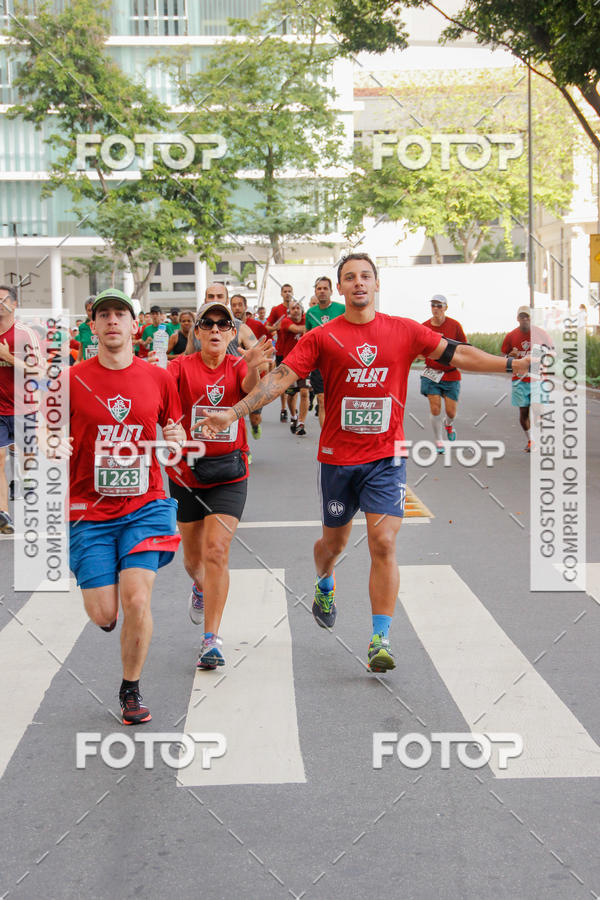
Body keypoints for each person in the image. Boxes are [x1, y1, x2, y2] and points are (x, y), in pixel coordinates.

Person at [197, 253, 531, 674]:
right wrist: (234, 412)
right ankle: (324, 579)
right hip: (338, 461)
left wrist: (512, 364)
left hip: (386, 458)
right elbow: (281, 378)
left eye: (365, 276)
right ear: (340, 288)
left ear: (376, 284)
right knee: (332, 546)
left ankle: (380, 639)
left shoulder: (404, 330)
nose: (358, 282)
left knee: (384, 542)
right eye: (350, 277)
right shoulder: (321, 336)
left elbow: (457, 355)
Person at [66, 288, 185, 725]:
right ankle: (105, 593)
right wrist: (49, 442)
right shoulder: (71, 379)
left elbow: (173, 430)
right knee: (104, 613)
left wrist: (174, 439)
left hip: (145, 504)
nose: (112, 320)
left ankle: (130, 688)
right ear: (93, 326)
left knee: (137, 598)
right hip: (89, 510)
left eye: (121, 314)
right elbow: (42, 429)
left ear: (136, 326)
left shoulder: (158, 378)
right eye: (104, 315)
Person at [164, 301, 271, 669]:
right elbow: (159, 401)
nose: (214, 329)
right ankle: (199, 587)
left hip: (229, 473)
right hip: (186, 474)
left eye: (222, 324)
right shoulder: (179, 367)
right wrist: (170, 429)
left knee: (216, 551)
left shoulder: (238, 365)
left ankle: (211, 639)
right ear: (196, 332)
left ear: (231, 333)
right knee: (194, 561)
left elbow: (250, 392)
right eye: (206, 323)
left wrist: (253, 366)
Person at [0, 285, 42, 534]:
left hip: (23, 408)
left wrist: (7, 356)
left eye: (3, 299)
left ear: (14, 304)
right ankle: (3, 514)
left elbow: (38, 371)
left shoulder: (25, 334)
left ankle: (25, 479)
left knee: (26, 456)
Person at [420, 294, 467, 453]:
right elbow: (418, 348)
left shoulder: (454, 325)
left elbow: (464, 346)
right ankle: (439, 441)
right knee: (435, 409)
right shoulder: (424, 327)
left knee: (451, 412)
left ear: (445, 308)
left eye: (439, 305)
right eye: (433, 305)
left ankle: (449, 424)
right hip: (431, 373)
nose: (436, 308)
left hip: (450, 372)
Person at [501, 306, 550, 452]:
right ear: (517, 319)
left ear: (531, 318)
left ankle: (539, 431)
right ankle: (531, 440)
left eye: (527, 317)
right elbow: (504, 356)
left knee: (537, 409)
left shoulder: (541, 333)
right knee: (523, 412)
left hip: (537, 377)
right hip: (519, 379)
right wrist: (511, 356)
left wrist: (542, 355)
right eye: (522, 317)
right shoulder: (511, 336)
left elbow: (552, 351)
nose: (525, 319)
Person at [305, 276, 345, 428]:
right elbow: (307, 338)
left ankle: (339, 432)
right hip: (319, 364)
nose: (322, 291)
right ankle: (325, 436)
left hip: (339, 363)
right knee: (322, 400)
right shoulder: (310, 313)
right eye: (319, 288)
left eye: (325, 288)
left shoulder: (342, 309)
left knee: (338, 401)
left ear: (331, 291)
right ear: (315, 291)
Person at [279, 301, 308, 435]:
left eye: (298, 308)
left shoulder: (306, 319)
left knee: (304, 392)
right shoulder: (286, 322)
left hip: (306, 362)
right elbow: (296, 329)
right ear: (289, 311)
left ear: (302, 310)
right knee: (291, 395)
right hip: (290, 364)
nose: (296, 310)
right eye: (293, 308)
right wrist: (312, 326)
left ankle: (301, 423)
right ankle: (293, 416)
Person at [266, 283, 293, 422]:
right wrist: (277, 327)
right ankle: (283, 408)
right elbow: (267, 327)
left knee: (296, 384)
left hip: (295, 351)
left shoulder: (296, 308)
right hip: (281, 350)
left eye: (289, 291)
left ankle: (293, 410)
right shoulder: (277, 310)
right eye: (285, 291)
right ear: (281, 294)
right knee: (283, 381)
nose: (287, 293)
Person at [76, 296, 96, 361]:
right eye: (89, 310)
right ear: (86, 311)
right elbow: (81, 346)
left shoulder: (105, 325)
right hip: (88, 364)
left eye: (94, 310)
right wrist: (78, 361)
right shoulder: (82, 327)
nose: (92, 313)